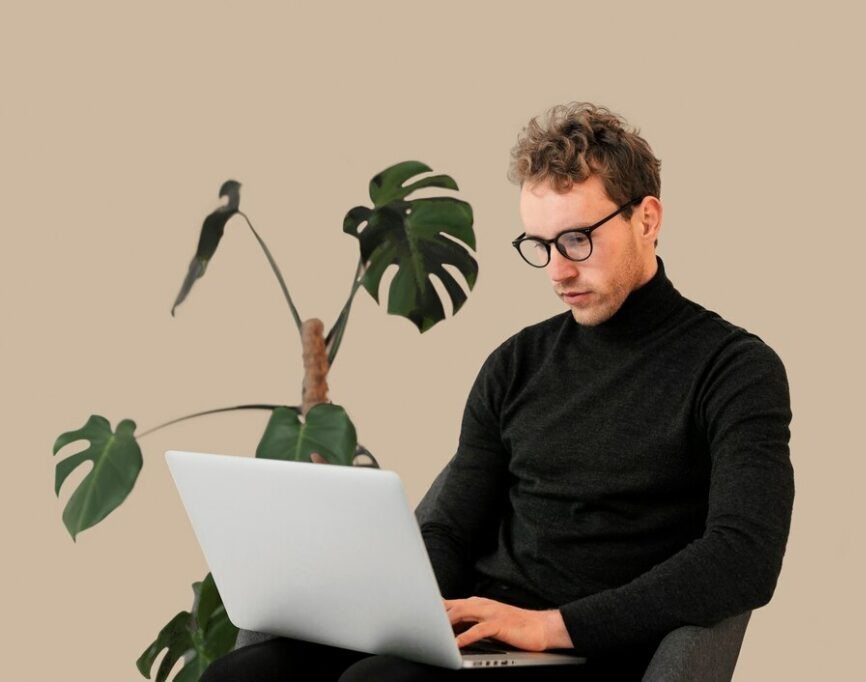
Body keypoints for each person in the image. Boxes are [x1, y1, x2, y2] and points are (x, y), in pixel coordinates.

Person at [200, 103, 794, 681]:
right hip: (479, 629)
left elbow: (744, 556)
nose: (557, 271)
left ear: (647, 219)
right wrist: (410, 615)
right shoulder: (517, 363)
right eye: (540, 245)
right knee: (243, 674)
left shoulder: (734, 369)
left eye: (577, 240)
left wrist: (550, 627)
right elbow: (450, 527)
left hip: (591, 646)